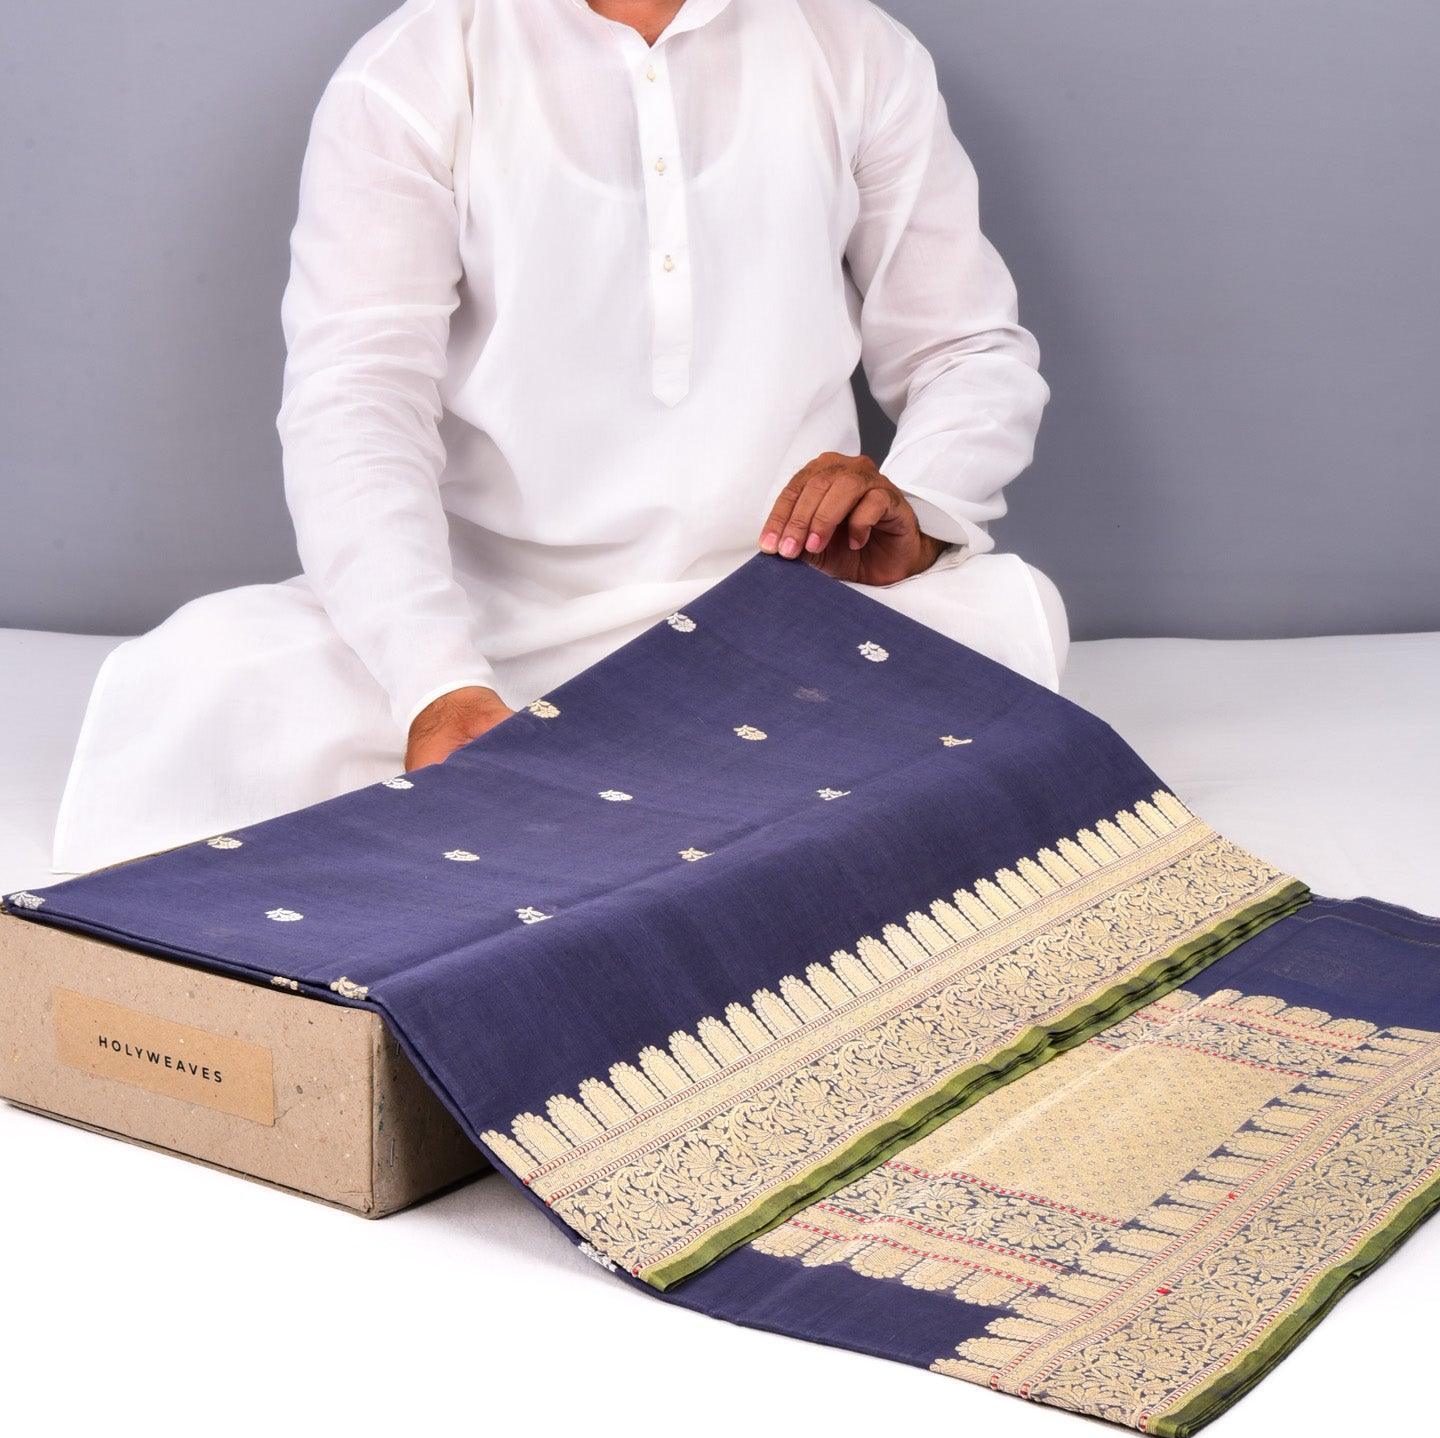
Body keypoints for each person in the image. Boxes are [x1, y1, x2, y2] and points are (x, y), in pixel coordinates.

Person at [53, 0, 1067, 873]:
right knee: (211, 679)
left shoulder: (854, 48)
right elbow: (356, 400)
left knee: (1004, 619)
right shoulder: (418, 64)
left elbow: (967, 347)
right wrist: (438, 688)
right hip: (490, 620)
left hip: (784, 611)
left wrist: (916, 505)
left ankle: (580, 810)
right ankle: (651, 794)